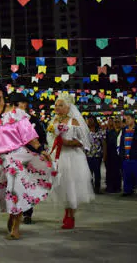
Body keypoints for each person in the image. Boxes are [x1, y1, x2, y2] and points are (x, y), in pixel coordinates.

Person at [0, 85, 54, 240]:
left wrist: (41, 149)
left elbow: (29, 135)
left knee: (16, 191)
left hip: (15, 156)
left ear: (0, 93)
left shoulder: (16, 114)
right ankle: (12, 213)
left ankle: (16, 226)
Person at [50, 92, 94, 230]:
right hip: (59, 157)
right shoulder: (54, 122)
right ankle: (66, 210)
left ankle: (71, 215)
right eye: (56, 105)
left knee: (71, 186)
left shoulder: (73, 122)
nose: (57, 108)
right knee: (62, 186)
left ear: (68, 107)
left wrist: (67, 142)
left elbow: (82, 142)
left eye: (61, 105)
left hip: (72, 158)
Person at [10, 92, 47, 225]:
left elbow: (41, 137)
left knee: (26, 186)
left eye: (16, 104)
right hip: (12, 158)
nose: (14, 107)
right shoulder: (8, 120)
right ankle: (14, 212)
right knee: (13, 186)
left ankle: (27, 213)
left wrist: (39, 149)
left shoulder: (32, 120)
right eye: (13, 104)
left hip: (29, 158)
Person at [119, 113, 137, 197]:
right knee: (126, 175)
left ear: (133, 119)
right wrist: (121, 153)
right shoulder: (124, 130)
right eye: (126, 119)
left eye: (128, 118)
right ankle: (127, 190)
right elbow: (121, 143)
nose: (127, 120)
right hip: (126, 156)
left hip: (136, 156)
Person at [86, 116, 107, 194]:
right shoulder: (85, 131)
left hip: (97, 155)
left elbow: (104, 144)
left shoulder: (100, 131)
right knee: (89, 173)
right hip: (88, 155)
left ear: (95, 122)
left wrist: (104, 155)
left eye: (91, 121)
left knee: (97, 172)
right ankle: (90, 188)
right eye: (88, 121)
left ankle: (97, 188)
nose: (89, 122)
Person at [104, 118, 122, 193]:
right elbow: (106, 144)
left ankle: (118, 187)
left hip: (119, 155)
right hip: (110, 155)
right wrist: (105, 155)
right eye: (115, 122)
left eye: (118, 122)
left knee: (118, 172)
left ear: (121, 123)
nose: (117, 123)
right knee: (109, 172)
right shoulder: (109, 133)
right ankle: (110, 187)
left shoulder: (123, 132)